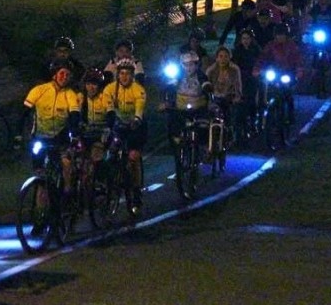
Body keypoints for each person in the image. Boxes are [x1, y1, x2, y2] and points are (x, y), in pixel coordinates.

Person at [21, 59, 81, 191]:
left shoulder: (70, 94)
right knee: (40, 175)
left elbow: (74, 115)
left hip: (60, 138)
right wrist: (18, 135)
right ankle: (41, 199)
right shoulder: (39, 90)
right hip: (40, 136)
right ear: (54, 74)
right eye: (62, 73)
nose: (64, 77)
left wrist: (74, 134)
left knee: (66, 164)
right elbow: (24, 112)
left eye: (67, 75)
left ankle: (67, 193)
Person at [160, 52, 212, 197]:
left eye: (192, 64)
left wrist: (207, 88)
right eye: (186, 65)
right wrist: (165, 102)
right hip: (181, 110)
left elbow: (206, 84)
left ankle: (202, 149)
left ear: (196, 65)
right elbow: (167, 88)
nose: (189, 68)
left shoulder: (201, 76)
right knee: (172, 124)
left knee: (203, 128)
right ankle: (177, 146)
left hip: (198, 110)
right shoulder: (177, 76)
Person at [102, 58, 148, 215]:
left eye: (127, 74)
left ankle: (136, 192)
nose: (124, 77)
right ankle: (109, 185)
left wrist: (137, 119)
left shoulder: (138, 89)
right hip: (119, 125)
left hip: (136, 126)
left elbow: (139, 108)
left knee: (133, 158)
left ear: (132, 75)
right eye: (121, 73)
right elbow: (108, 108)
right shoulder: (110, 89)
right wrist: (110, 125)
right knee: (110, 156)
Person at [205, 46, 243, 144]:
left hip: (229, 97)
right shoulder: (211, 70)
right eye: (220, 56)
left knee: (232, 113)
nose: (223, 59)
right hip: (215, 98)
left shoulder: (234, 70)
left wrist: (237, 97)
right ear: (217, 58)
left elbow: (238, 86)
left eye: (226, 56)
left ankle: (231, 133)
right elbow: (206, 85)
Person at [232, 29, 262, 136]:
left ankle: (253, 122)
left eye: (247, 38)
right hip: (240, 78)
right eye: (243, 38)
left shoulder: (256, 50)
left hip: (252, 79)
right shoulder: (237, 51)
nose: (245, 41)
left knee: (252, 100)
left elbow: (260, 62)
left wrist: (257, 71)